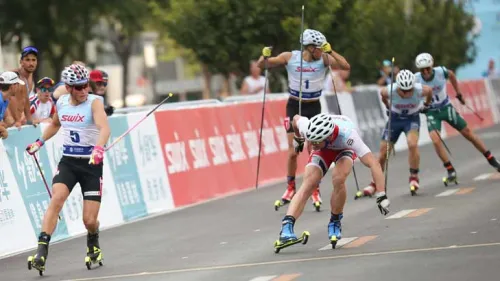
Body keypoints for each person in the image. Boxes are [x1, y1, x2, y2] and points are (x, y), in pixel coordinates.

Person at [26, 63, 110, 274]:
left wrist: (99, 148)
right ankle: (41, 253)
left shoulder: (94, 102)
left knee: (89, 220)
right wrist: (39, 142)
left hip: (91, 165)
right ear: (69, 87)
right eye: (79, 87)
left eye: (86, 86)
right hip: (69, 162)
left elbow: (104, 127)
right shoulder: (62, 102)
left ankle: (93, 240)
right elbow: (55, 124)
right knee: (57, 199)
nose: (84, 90)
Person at [256, 29, 351, 211]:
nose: (321, 51)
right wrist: (264, 56)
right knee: (293, 151)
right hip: (294, 106)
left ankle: (314, 188)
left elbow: (345, 66)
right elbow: (264, 65)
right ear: (309, 47)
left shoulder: (323, 59)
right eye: (319, 48)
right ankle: (290, 188)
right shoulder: (290, 57)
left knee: (313, 149)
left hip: (313, 107)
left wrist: (331, 52)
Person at [277, 113, 390, 248]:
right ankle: (286, 227)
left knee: (338, 179)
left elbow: (374, 164)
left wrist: (381, 194)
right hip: (324, 149)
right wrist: (299, 138)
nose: (312, 144)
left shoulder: (349, 137)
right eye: (311, 140)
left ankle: (335, 220)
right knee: (308, 183)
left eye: (315, 141)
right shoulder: (308, 128)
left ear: (329, 137)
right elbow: (295, 119)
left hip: (343, 148)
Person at [414, 53, 500, 184]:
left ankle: (491, 159)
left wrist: (458, 92)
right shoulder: (416, 78)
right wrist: (419, 106)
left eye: (428, 68)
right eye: (422, 70)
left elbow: (452, 75)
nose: (425, 72)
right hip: (432, 112)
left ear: (432, 66)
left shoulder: (440, 72)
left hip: (446, 108)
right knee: (436, 140)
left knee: (468, 133)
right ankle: (450, 170)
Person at [363, 70, 433, 197]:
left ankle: (414, 176)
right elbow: (382, 94)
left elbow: (429, 91)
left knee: (412, 144)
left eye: (409, 90)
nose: (406, 93)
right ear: (398, 87)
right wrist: (388, 107)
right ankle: (374, 184)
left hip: (411, 119)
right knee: (383, 153)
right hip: (395, 120)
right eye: (403, 91)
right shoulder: (389, 90)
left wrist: (426, 105)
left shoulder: (420, 89)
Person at [8, 46, 37, 128]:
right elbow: (8, 99)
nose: (31, 63)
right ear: (21, 62)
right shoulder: (12, 76)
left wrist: (30, 120)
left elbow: (26, 100)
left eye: (33, 60)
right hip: (8, 123)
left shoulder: (30, 79)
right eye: (27, 60)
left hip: (18, 123)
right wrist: (14, 121)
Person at [0, 71, 27, 137]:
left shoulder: (5, 100)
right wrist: (2, 129)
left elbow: (6, 118)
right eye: (17, 84)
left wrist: (14, 124)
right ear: (12, 86)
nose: (18, 87)